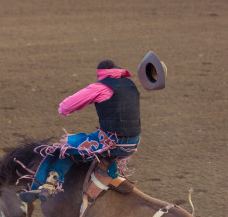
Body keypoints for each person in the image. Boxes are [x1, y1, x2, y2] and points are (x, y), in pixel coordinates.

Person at [20, 59, 141, 202]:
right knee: (95, 145)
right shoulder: (131, 85)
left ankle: (48, 186)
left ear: (100, 74)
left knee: (66, 149)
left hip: (112, 142)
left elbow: (64, 107)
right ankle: (111, 170)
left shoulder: (100, 87)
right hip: (133, 143)